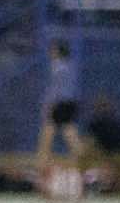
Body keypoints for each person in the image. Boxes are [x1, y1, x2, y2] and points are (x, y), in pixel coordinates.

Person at [35, 39, 85, 171]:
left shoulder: (58, 66)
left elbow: (55, 89)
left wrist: (48, 105)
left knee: (53, 131)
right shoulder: (70, 66)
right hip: (69, 103)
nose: (50, 52)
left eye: (53, 50)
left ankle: (42, 162)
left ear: (58, 51)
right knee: (61, 131)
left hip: (60, 103)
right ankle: (42, 160)